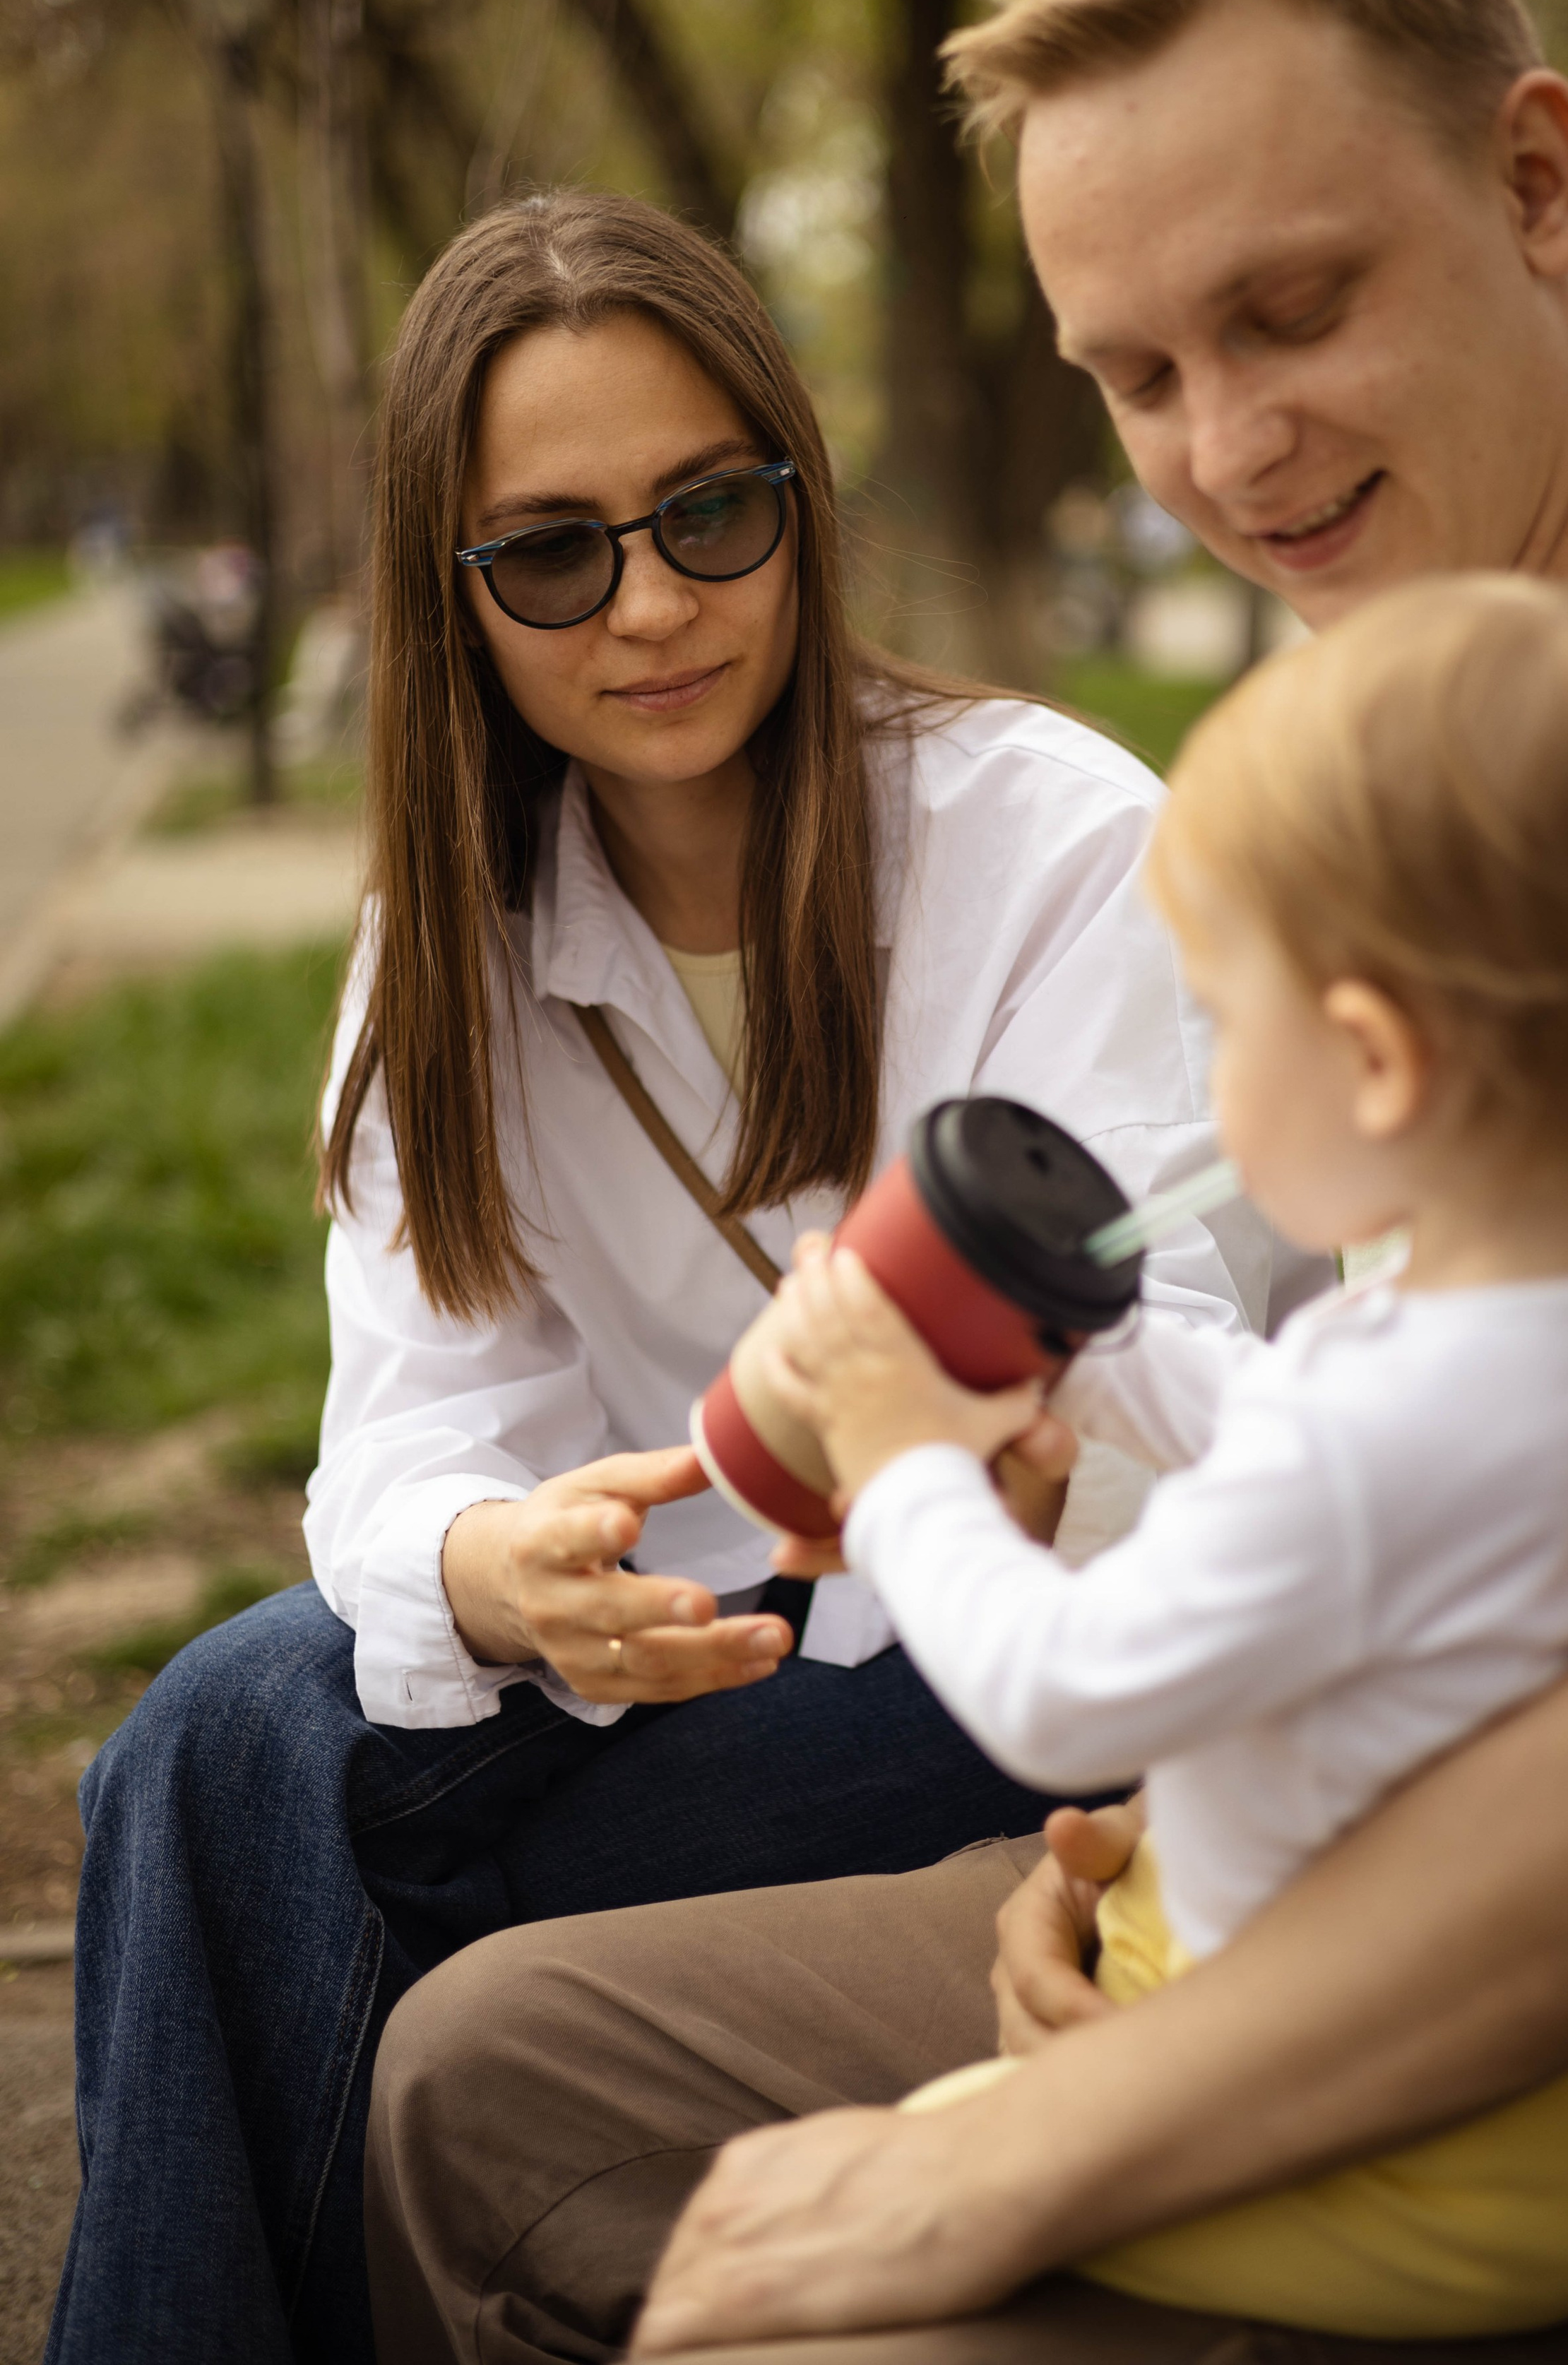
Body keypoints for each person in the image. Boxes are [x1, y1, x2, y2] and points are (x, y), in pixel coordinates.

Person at [360, 0, 1568, 2365]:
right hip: (1301, 1883)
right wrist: (1161, 1827)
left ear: (1539, 179)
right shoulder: (1417, 752)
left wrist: (1036, 2150)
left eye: (1295, 308)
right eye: (1134, 372)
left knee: (758, 2283)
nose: (1229, 448)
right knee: (473, 2065)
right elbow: (1420, 1520)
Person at [48, 190, 1264, 2365]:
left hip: (1005, 1671)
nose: (653, 606)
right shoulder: (451, 950)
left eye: (710, 513)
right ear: (460, 601)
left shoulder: (1056, 844)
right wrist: (499, 1567)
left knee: (222, 1789)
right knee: (231, 1767)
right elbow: (408, 1434)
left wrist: (982, 1443)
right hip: (659, 1668)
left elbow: (1190, 1363)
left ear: (796, 494)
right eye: (553, 551)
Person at [767, 576, 1568, 2337]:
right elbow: (1297, 1425)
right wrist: (1105, 1335)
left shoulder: (1385, 1440)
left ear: (1369, 1059)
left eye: (1223, 1020)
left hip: (1445, 2159)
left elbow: (1058, 1696)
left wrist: (897, 1462)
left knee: (863, 2193)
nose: (1205, 1096)